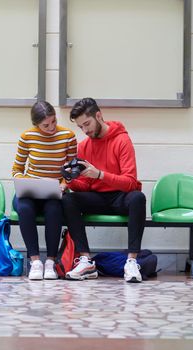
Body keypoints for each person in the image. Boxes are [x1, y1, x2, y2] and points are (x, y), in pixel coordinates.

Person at [62, 98, 146, 283]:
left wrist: (100, 174)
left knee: (138, 198)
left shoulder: (122, 140)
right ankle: (86, 261)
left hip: (120, 197)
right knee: (69, 199)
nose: (85, 130)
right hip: (97, 198)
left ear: (98, 116)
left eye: (87, 124)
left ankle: (132, 262)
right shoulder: (84, 146)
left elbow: (130, 182)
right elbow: (85, 185)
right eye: (80, 127)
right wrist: (70, 181)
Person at [12, 101, 77, 280]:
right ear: (36, 124)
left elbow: (73, 170)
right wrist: (24, 181)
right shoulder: (27, 137)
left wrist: (64, 184)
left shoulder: (68, 136)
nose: (51, 128)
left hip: (54, 192)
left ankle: (50, 261)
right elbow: (17, 169)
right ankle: (35, 262)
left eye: (54, 122)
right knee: (24, 208)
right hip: (30, 191)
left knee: (54, 209)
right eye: (45, 125)